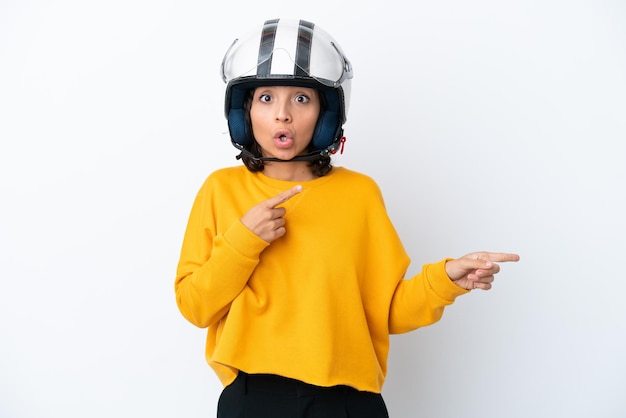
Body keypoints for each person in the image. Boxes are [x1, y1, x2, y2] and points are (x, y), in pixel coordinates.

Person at [174, 18, 520, 418]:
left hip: (348, 403)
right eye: (266, 98)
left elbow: (385, 311)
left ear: (326, 112)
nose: (282, 115)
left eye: (301, 99)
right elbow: (195, 307)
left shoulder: (360, 194)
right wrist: (242, 241)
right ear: (245, 109)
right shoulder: (220, 190)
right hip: (255, 400)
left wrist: (445, 280)